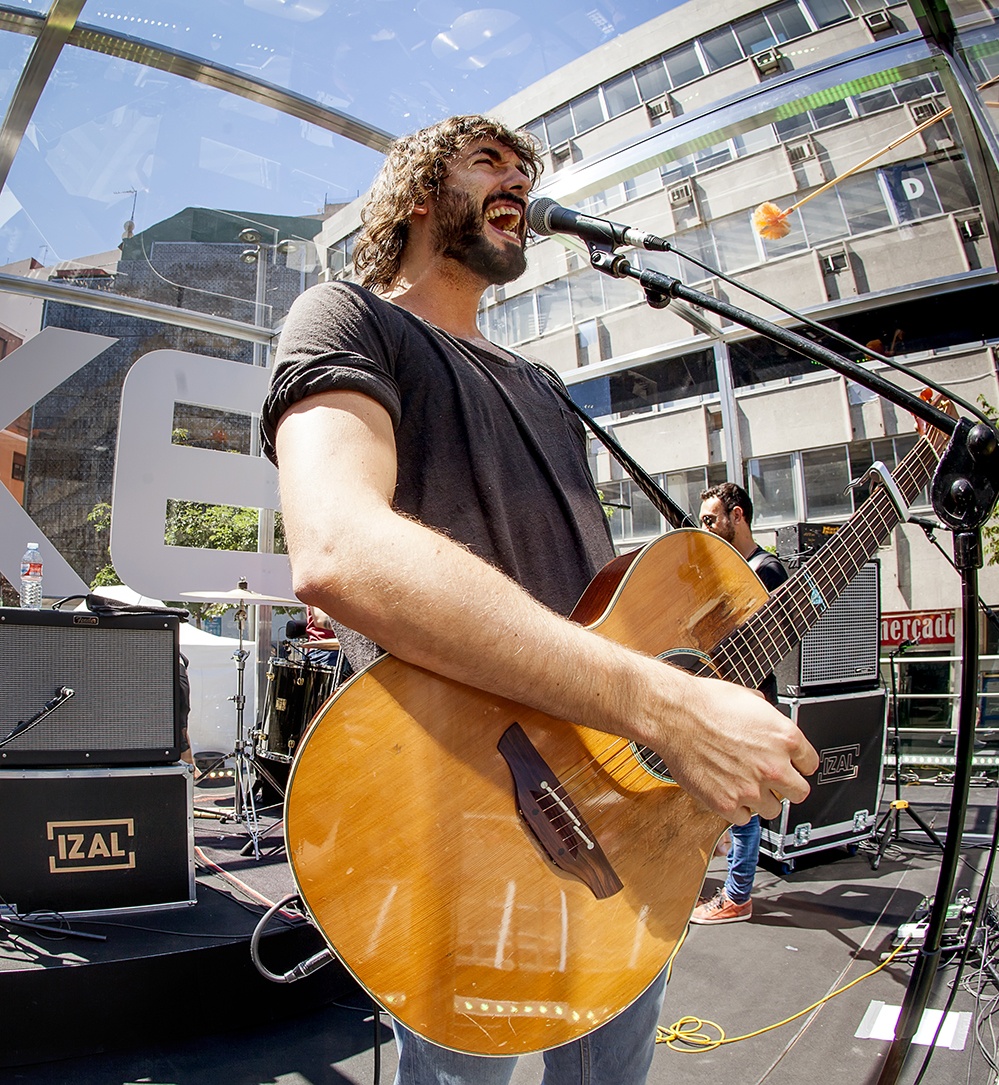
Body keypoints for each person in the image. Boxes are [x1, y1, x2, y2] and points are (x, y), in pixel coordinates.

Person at [260, 114, 817, 1085]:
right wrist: (663, 703)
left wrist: (682, 707)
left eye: (527, 166)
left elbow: (604, 603)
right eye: (489, 162)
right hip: (458, 815)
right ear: (420, 192)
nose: (517, 178)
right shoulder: (345, 318)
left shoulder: (548, 389)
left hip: (619, 824)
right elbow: (338, 544)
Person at [691, 482, 789, 925]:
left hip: (748, 699)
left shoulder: (765, 568)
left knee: (742, 808)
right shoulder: (728, 564)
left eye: (711, 520)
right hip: (720, 696)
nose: (705, 528)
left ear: (738, 516)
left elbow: (748, 629)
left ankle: (736, 896)